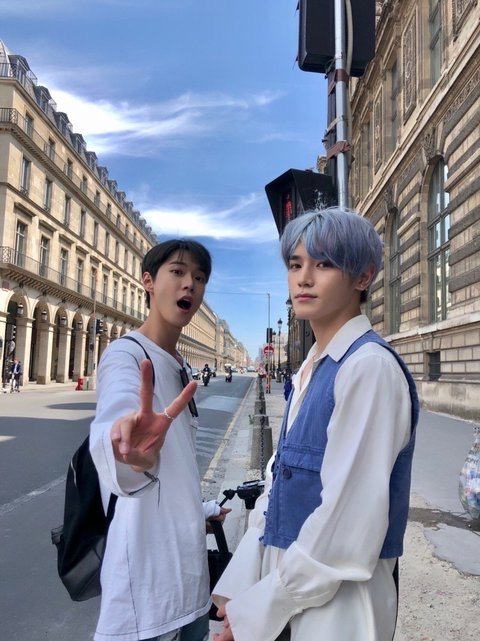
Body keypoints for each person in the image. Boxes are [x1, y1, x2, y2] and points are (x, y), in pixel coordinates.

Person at [212, 207, 419, 641]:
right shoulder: (313, 366)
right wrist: (243, 591)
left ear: (363, 276)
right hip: (293, 594)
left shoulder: (367, 368)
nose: (304, 279)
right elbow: (276, 490)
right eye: (295, 264)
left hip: (340, 608)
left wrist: (261, 608)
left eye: (324, 264)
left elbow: (346, 525)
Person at [90, 239, 229, 641]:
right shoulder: (126, 356)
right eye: (178, 272)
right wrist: (131, 453)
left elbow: (178, 466)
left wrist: (201, 509)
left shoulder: (181, 365)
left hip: (190, 583)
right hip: (146, 593)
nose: (190, 284)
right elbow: (117, 418)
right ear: (148, 281)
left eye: (199, 278)